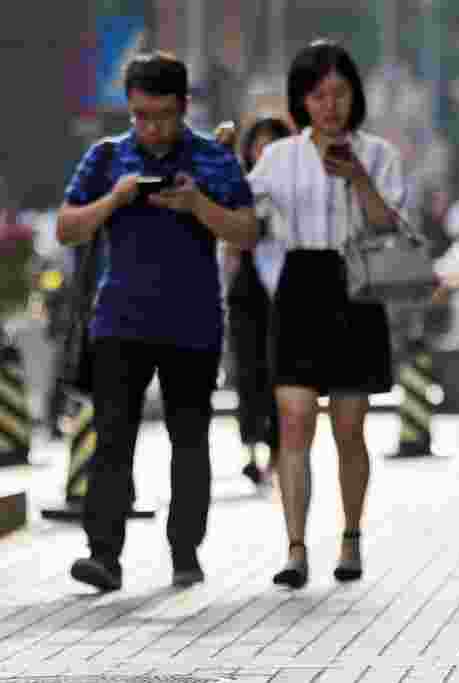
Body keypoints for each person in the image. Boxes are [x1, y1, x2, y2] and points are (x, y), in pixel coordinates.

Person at [56, 52, 259, 591]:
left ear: (184, 106)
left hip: (193, 325)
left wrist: (198, 206)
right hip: (119, 321)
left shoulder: (213, 160)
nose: (151, 128)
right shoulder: (105, 158)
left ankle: (185, 552)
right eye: (140, 115)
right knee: (113, 440)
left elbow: (247, 231)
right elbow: (66, 227)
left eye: (163, 116)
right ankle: (104, 555)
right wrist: (114, 200)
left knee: (189, 442)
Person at [246, 39, 414, 589]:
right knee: (294, 421)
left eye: (339, 92)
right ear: (301, 100)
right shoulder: (280, 156)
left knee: (349, 428)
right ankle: (295, 548)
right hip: (299, 285)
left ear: (354, 96)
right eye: (317, 95)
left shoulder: (380, 153)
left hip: (356, 286)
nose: (329, 105)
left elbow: (392, 225)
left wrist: (358, 177)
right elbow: (248, 212)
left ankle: (351, 536)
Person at [218, 117, 292, 486]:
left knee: (282, 374)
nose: (264, 152)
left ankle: (279, 452)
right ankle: (250, 450)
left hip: (286, 291)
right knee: (248, 373)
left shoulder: (297, 188)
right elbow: (229, 243)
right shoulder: (240, 186)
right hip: (248, 292)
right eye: (258, 145)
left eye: (272, 145)